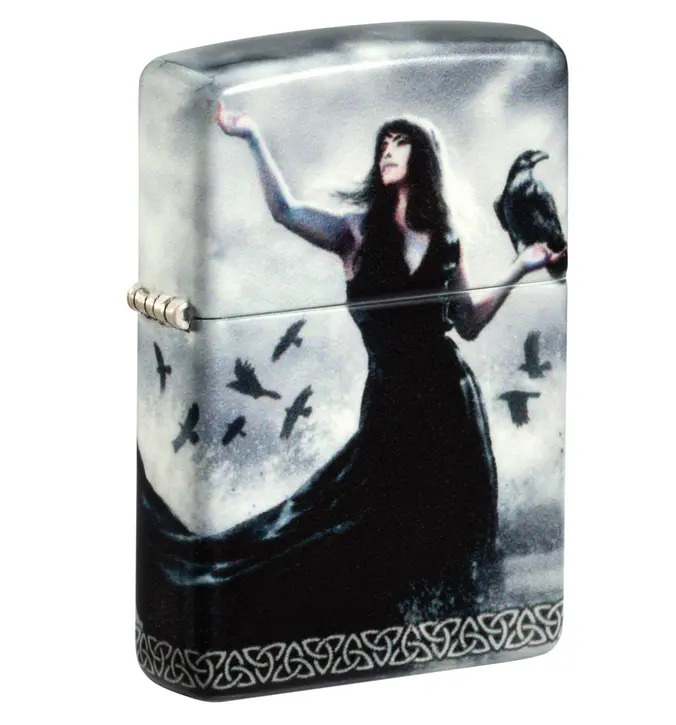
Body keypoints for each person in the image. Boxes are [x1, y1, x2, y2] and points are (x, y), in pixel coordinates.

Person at [136, 105, 564, 649]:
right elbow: (286, 211)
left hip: (452, 408)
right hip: (390, 407)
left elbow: (468, 324)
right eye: (382, 143)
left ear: (423, 155)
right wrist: (251, 135)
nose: (387, 150)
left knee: (456, 533)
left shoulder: (446, 239)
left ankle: (449, 652)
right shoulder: (354, 232)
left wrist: (521, 268)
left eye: (399, 141)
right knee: (355, 535)